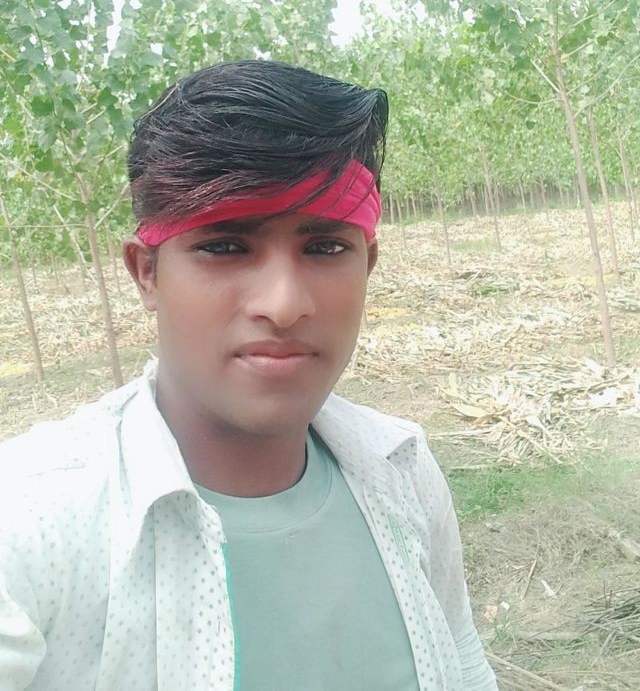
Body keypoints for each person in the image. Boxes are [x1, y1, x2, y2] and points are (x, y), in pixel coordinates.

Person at [0, 60, 497, 690]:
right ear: (147, 273)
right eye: (224, 246)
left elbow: (460, 656)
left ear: (367, 263)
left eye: (325, 247)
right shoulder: (32, 522)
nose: (284, 305)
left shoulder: (402, 469)